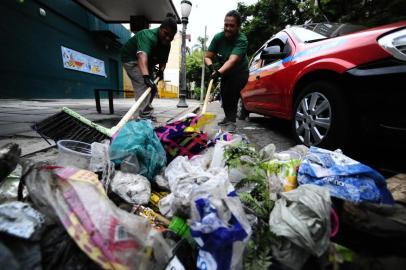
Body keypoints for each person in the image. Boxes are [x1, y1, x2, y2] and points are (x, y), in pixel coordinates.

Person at [121, 14, 177, 120]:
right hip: (131, 60)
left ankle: (145, 112)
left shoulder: (167, 44)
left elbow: (163, 61)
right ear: (160, 29)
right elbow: (142, 55)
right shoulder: (147, 35)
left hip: (148, 63)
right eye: (166, 34)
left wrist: (161, 71)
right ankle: (141, 117)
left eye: (171, 36)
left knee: (153, 88)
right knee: (144, 84)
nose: (168, 38)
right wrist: (146, 77)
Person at [204, 10, 249, 132]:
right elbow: (207, 57)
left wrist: (218, 72)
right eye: (226, 25)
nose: (228, 28)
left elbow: (232, 61)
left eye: (232, 26)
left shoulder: (242, 40)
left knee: (231, 92)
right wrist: (211, 68)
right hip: (226, 72)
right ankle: (228, 117)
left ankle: (232, 122)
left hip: (240, 72)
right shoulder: (218, 38)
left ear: (238, 27)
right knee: (223, 94)